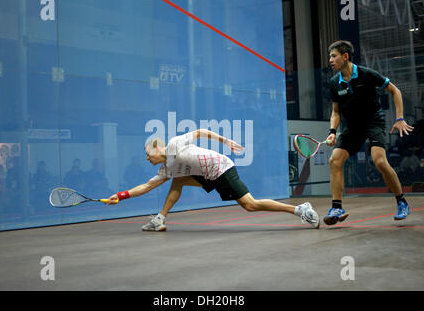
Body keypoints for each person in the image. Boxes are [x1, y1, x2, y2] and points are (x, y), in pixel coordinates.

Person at [106, 129, 320, 231]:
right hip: (206, 174)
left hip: (221, 168)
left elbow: (199, 132)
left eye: (147, 153)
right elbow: (146, 186)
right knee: (177, 181)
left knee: (250, 205)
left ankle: (301, 209)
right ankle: (159, 219)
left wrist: (226, 141)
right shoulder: (167, 168)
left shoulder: (174, 144)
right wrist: (121, 196)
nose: (146, 158)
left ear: (157, 148)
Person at [325, 40, 414, 225]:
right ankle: (336, 206)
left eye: (334, 56)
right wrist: (333, 131)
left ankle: (402, 202)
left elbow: (394, 90)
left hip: (373, 121)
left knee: (379, 161)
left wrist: (399, 118)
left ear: (345, 56)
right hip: (353, 126)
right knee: (335, 160)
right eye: (330, 56)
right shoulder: (334, 83)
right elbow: (336, 111)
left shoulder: (366, 74)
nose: (330, 60)